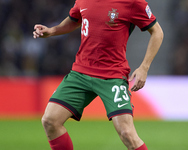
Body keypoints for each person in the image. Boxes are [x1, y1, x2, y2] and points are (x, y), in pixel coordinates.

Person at [33, 0, 163, 149]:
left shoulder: (132, 2)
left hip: (112, 76)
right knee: (50, 120)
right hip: (80, 73)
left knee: (127, 133)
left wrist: (144, 67)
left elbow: (157, 32)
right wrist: (52, 31)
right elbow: (75, 20)